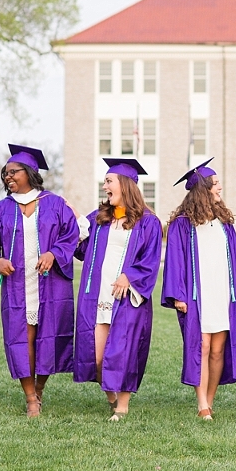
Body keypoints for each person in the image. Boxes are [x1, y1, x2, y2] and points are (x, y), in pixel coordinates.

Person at [0, 145, 79, 417]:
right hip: (17, 286)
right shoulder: (1, 209)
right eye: (5, 173)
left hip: (51, 284)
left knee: (49, 340)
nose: (8, 177)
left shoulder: (55, 204)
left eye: (13, 172)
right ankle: (30, 396)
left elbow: (71, 236)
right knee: (23, 340)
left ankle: (40, 387)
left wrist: (54, 253)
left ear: (29, 173)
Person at [73, 158, 163, 421]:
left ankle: (122, 406)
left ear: (125, 185)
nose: (104, 186)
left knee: (124, 351)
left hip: (127, 296)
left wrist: (129, 276)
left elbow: (150, 259)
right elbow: (81, 250)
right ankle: (111, 396)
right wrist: (75, 225)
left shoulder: (148, 222)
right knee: (99, 357)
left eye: (109, 181)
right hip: (100, 294)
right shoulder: (100, 218)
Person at [160, 158, 236, 421]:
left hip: (222, 289)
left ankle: (209, 402)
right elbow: (175, 261)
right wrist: (178, 294)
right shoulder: (181, 225)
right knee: (202, 346)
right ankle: (201, 404)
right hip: (197, 293)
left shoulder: (224, 222)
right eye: (216, 183)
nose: (220, 187)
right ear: (204, 189)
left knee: (219, 349)